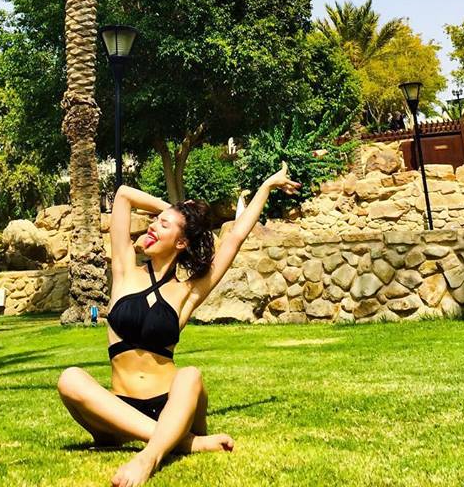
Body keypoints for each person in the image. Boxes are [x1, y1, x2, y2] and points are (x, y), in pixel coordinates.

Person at [57, 162, 301, 487]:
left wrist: (267, 186)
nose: (153, 226)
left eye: (163, 225)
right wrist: (172, 211)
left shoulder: (188, 291)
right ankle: (183, 442)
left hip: (169, 405)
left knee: (191, 375)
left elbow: (235, 237)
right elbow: (123, 195)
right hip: (119, 409)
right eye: (155, 221)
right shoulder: (124, 269)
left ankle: (148, 457)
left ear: (182, 242)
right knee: (70, 378)